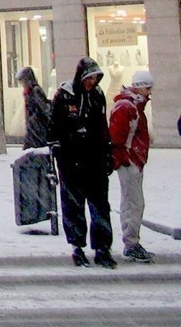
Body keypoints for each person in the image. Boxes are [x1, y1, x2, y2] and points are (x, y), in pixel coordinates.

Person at [50, 57, 116, 269]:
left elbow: (102, 127)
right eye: (89, 78)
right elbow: (54, 127)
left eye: (95, 78)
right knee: (73, 206)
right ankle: (77, 247)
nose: (92, 82)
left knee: (100, 207)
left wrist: (107, 153)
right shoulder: (64, 96)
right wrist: (59, 150)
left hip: (94, 160)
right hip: (72, 161)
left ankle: (103, 248)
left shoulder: (97, 96)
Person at [109, 70, 154, 263]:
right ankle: (131, 243)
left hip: (132, 160)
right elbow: (118, 138)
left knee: (133, 202)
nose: (149, 92)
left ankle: (132, 242)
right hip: (130, 161)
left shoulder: (130, 106)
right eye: (148, 87)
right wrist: (127, 159)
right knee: (133, 203)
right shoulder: (128, 107)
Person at [17, 66, 51, 150]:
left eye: (22, 81)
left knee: (34, 149)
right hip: (33, 125)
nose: (22, 84)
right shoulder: (30, 91)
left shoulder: (35, 90)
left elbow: (43, 107)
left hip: (37, 125)